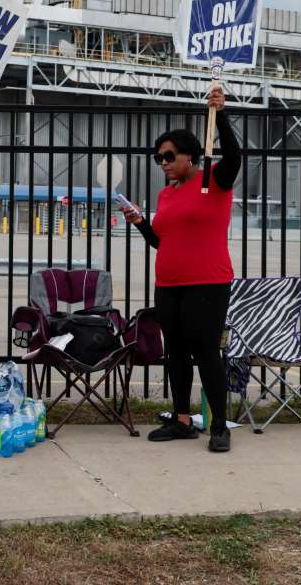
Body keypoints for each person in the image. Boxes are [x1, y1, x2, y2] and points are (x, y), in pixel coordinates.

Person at [124, 87, 241, 452]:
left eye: (170, 156)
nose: (164, 162)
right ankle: (182, 419)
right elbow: (162, 241)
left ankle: (220, 425)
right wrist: (142, 222)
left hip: (207, 282)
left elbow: (235, 157)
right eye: (159, 158)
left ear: (190, 156)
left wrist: (219, 115)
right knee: (174, 351)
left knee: (205, 350)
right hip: (169, 284)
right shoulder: (167, 194)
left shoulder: (212, 181)